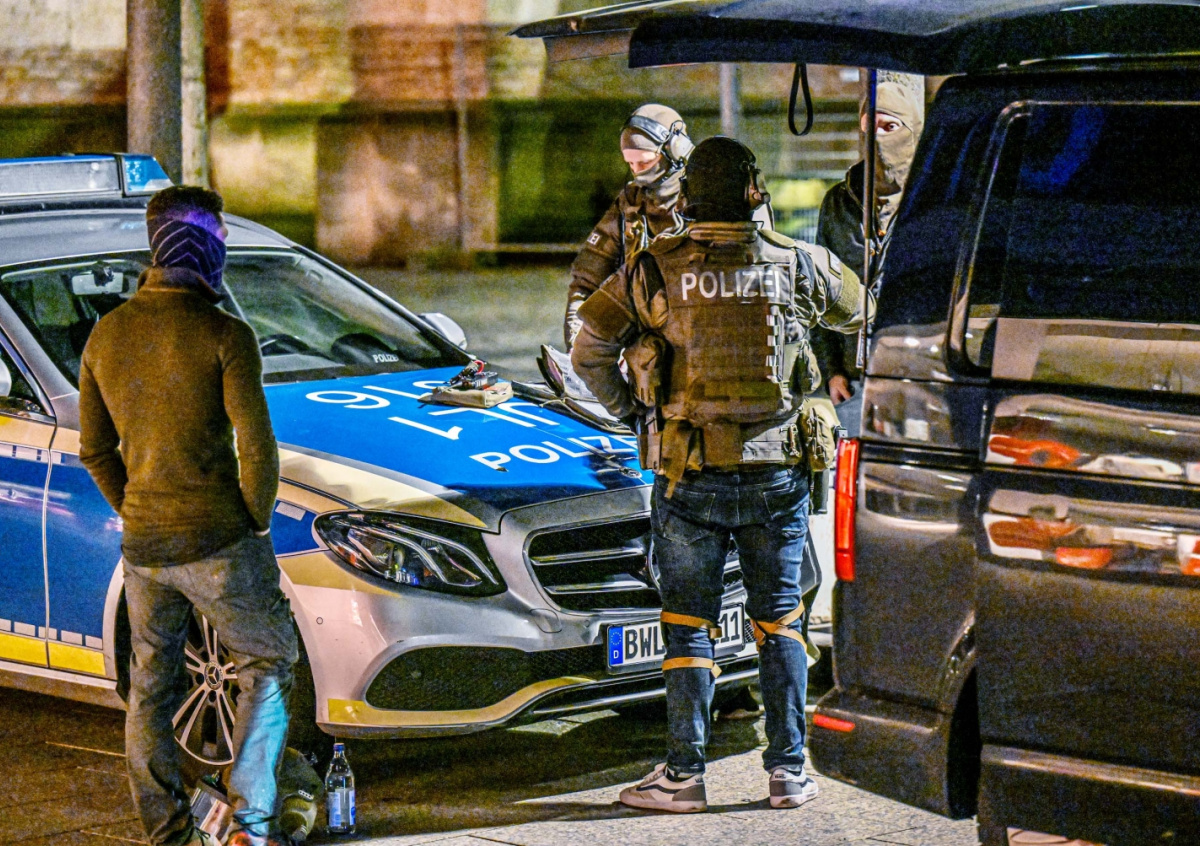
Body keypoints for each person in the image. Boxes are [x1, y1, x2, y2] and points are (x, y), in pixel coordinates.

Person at [571, 137, 870, 812]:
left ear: (688, 198)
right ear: (754, 192)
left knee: (687, 626)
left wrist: (635, 414)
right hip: (777, 473)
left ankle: (683, 778)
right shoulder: (797, 262)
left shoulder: (652, 269)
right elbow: (860, 310)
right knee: (781, 620)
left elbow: (588, 352)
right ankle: (788, 772)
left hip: (689, 472)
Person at [79, 186, 298, 846]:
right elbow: (256, 444)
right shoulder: (225, 333)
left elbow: (95, 450)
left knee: (151, 686)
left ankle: (168, 830)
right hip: (219, 539)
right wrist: (255, 520)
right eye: (219, 234)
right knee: (267, 665)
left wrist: (135, 509)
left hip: (145, 547)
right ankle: (249, 825)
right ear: (198, 244)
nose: (224, 245)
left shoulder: (107, 334)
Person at [810, 77, 923, 435]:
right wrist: (832, 371)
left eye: (890, 127)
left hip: (918, 380)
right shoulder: (839, 203)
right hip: (853, 382)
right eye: (868, 126)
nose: (877, 138)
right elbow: (820, 291)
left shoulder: (933, 204)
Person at [563, 103, 694, 350]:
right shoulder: (631, 203)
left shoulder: (708, 200)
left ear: (676, 151)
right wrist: (576, 344)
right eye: (630, 164)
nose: (636, 173)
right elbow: (586, 281)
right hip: (645, 347)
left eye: (645, 163)